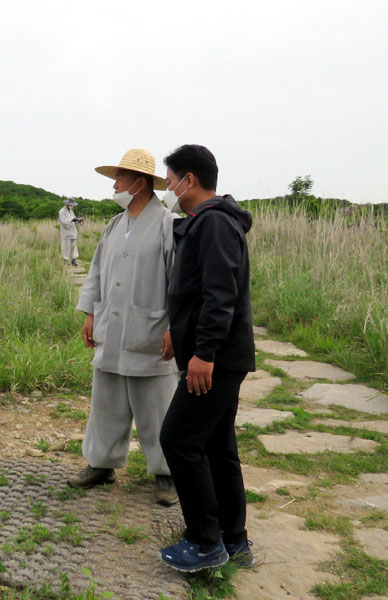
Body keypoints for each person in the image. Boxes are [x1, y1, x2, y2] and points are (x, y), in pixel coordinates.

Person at [156, 144, 256, 572]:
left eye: (169, 179)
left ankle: (203, 542)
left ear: (188, 180)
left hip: (215, 358)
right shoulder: (206, 221)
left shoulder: (213, 223)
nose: (167, 187)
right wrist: (180, 335)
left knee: (178, 440)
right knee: (217, 446)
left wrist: (204, 354)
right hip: (219, 355)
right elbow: (200, 293)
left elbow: (221, 294)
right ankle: (233, 539)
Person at [68, 149, 179, 506]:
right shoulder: (115, 225)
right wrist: (89, 313)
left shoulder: (167, 224)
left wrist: (174, 326)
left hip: (151, 330)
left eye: (119, 178)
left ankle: (166, 473)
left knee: (157, 406)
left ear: (140, 183)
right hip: (111, 328)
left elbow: (180, 281)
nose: (114, 185)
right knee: (107, 401)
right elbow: (97, 271)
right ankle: (102, 463)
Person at [58, 198, 83, 266]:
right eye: (71, 205)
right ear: (67, 204)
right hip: (66, 232)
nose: (72, 206)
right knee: (66, 246)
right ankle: (66, 260)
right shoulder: (61, 211)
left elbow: (74, 219)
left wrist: (78, 221)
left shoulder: (71, 211)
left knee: (73, 246)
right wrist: (71, 220)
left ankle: (73, 260)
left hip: (73, 232)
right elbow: (63, 221)